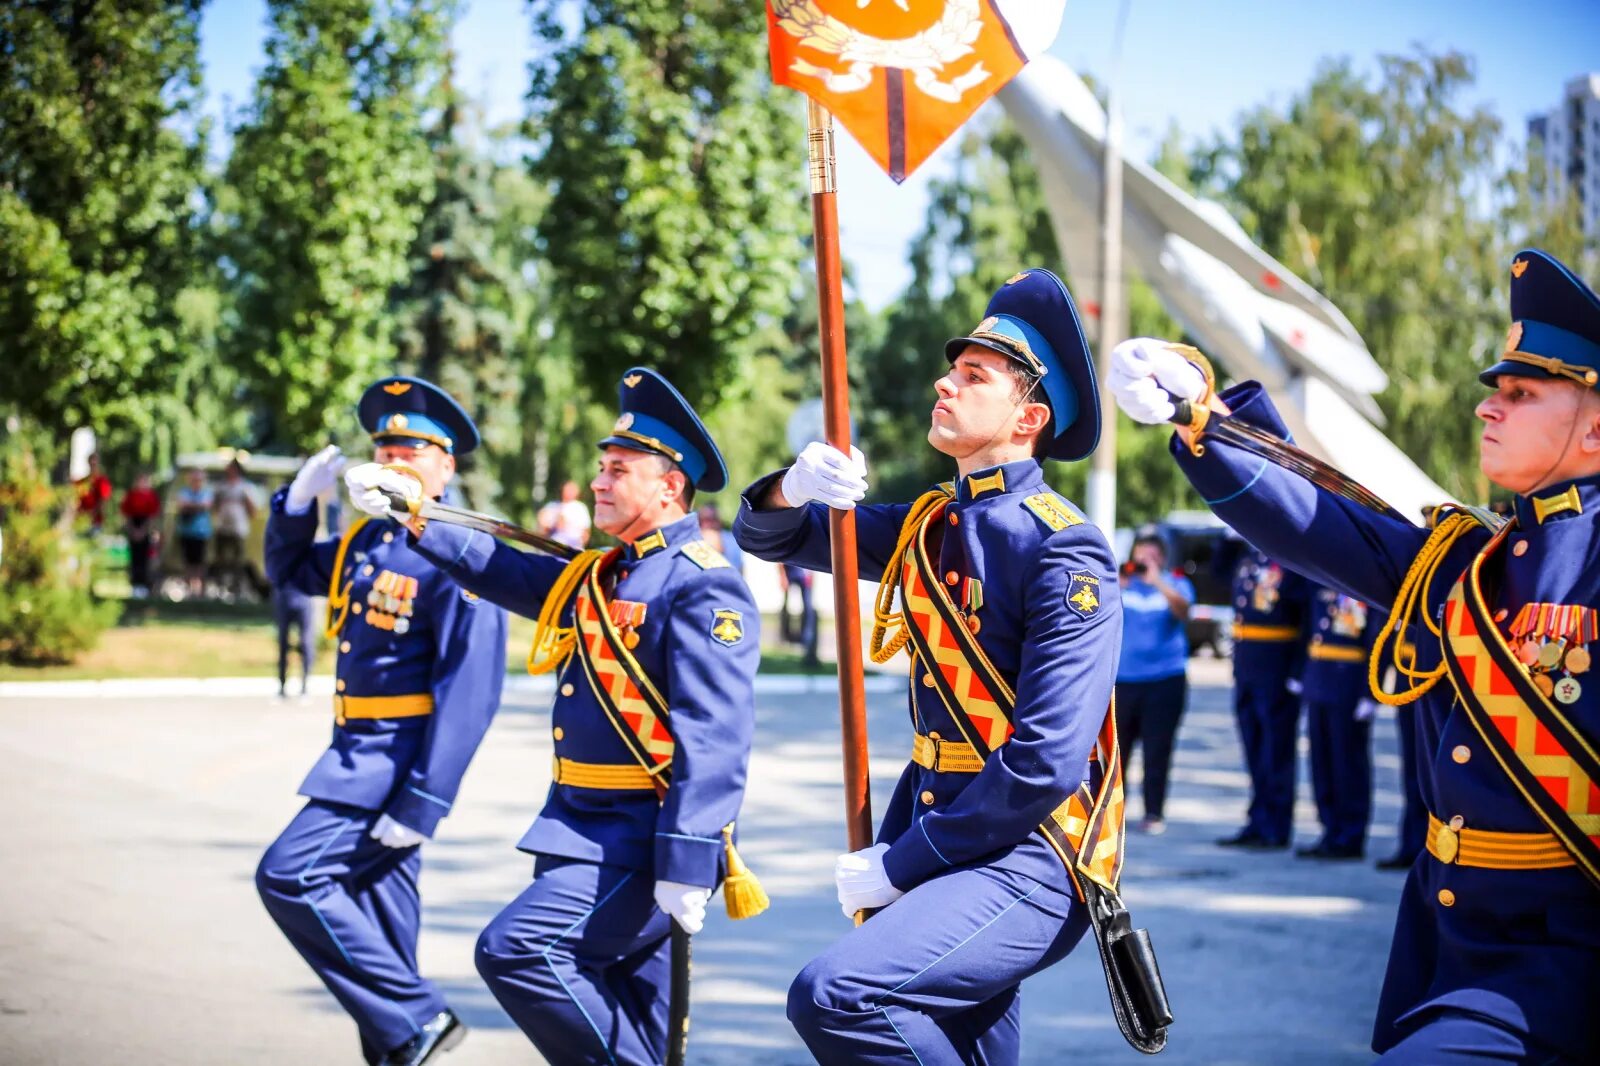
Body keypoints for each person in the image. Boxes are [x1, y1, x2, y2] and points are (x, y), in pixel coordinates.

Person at [1108, 248, 1600, 1063]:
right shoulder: (1467, 564)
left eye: (1521, 393)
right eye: (1495, 392)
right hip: (1447, 951)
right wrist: (1200, 418)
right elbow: (1321, 522)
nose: (1489, 409)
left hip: (1561, 966)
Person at [735, 268, 1124, 1065]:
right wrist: (791, 485)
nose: (945, 384)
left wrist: (905, 861)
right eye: (952, 371)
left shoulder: (1061, 545)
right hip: (938, 826)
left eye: (974, 377)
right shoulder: (925, 523)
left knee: (839, 994)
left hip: (1028, 851)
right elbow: (775, 537)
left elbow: (1048, 758)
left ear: (1030, 417)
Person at [344, 367, 765, 1066]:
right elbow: (497, 566)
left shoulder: (703, 585)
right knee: (637, 1016)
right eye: (601, 466)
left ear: (669, 486)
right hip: (576, 829)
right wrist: (414, 513)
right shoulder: (602, 576)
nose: (599, 481)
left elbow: (714, 737)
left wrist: (691, 859)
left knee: (518, 951)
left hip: (638, 845)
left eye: (619, 469)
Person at [257, 377, 507, 1066]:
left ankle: (424, 1017)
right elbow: (286, 569)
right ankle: (406, 1039)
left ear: (446, 464)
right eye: (385, 447)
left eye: (415, 450)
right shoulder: (364, 540)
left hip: (391, 766)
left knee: (289, 875)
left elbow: (470, 690)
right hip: (353, 750)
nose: (395, 459)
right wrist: (296, 504)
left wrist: (425, 801)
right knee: (383, 942)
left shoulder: (458, 547)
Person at [1217, 546, 1310, 850]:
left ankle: (1276, 825)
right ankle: (1258, 819)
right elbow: (1218, 573)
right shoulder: (1247, 557)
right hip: (1247, 667)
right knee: (1254, 748)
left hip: (1276, 667)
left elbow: (1306, 617)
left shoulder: (1289, 559)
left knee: (1276, 750)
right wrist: (1226, 538)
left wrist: (1296, 670)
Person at [1115, 532, 1195, 835]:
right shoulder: (1121, 583)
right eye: (1140, 555)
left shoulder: (1175, 583)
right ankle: (1115, 812)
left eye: (1152, 556)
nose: (1145, 561)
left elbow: (1184, 611)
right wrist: (1119, 583)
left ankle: (1153, 812)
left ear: (1161, 558)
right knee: (1118, 751)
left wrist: (1158, 582)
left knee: (1157, 749)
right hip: (1124, 681)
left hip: (1165, 680)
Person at [1297, 585, 1380, 860]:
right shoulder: (1320, 582)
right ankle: (1330, 829)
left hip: (1349, 685)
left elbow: (1377, 636)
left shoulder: (1364, 583)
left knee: (1348, 763)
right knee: (1322, 763)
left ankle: (1350, 835)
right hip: (1319, 680)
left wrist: (1371, 691)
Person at [212, 458, 259, 598]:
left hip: (238, 528)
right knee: (221, 559)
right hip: (222, 527)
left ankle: (237, 589)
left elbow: (253, 511)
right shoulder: (221, 486)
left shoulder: (245, 487)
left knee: (238, 561)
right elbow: (214, 506)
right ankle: (220, 589)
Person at [120, 472, 162, 597]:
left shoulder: (151, 496)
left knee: (145, 558)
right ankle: (135, 585)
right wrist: (133, 530)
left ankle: (144, 585)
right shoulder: (131, 495)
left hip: (145, 528)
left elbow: (152, 516)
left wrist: (143, 531)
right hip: (134, 527)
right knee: (134, 558)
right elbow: (127, 514)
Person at [274, 580, 318, 700]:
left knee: (306, 643)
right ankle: (282, 685)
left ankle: (305, 685)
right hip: (284, 595)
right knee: (283, 643)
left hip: (304, 597)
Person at [175, 468, 214, 597]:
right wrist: (198, 507)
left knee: (200, 562)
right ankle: (188, 590)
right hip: (186, 532)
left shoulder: (206, 492)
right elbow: (182, 505)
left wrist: (190, 506)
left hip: (201, 533)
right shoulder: (184, 492)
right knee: (188, 562)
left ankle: (199, 591)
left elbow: (206, 505)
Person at [536, 479, 591, 550]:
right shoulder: (552, 506)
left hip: (573, 546)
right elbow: (543, 529)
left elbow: (586, 532)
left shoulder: (580, 508)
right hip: (554, 546)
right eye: (567, 489)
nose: (569, 492)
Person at [76, 452, 112, 531]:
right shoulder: (83, 481)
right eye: (91, 462)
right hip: (82, 520)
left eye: (95, 462)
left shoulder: (102, 481)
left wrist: (92, 515)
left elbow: (103, 501)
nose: (93, 464)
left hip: (96, 522)